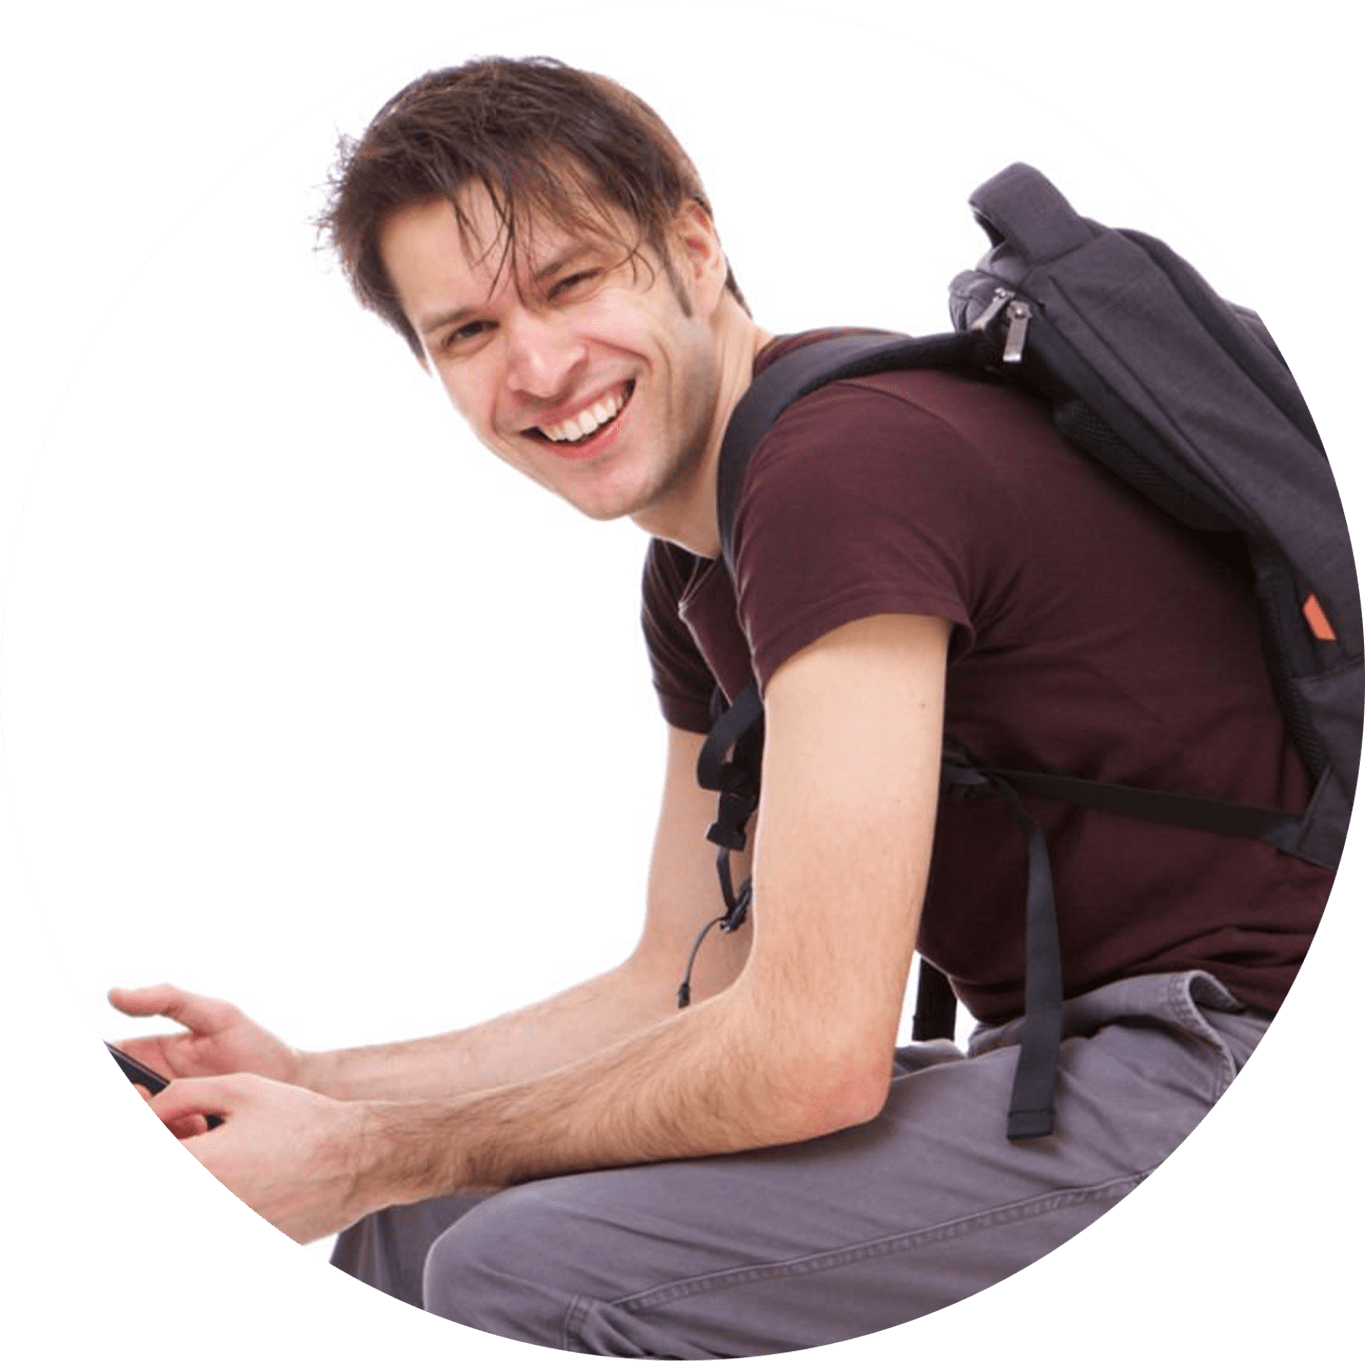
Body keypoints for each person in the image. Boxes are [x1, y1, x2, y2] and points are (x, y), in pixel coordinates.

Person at [111, 57, 1333, 1356]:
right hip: (1097, 1067)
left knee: (524, 1271)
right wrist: (314, 1088)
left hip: (1231, 1065)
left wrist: (369, 1148)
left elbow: (813, 1054)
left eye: (571, 282)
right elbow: (688, 980)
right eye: (468, 333)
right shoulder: (699, 564)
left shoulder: (842, 473)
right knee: (426, 1218)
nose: (538, 365)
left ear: (693, 251)